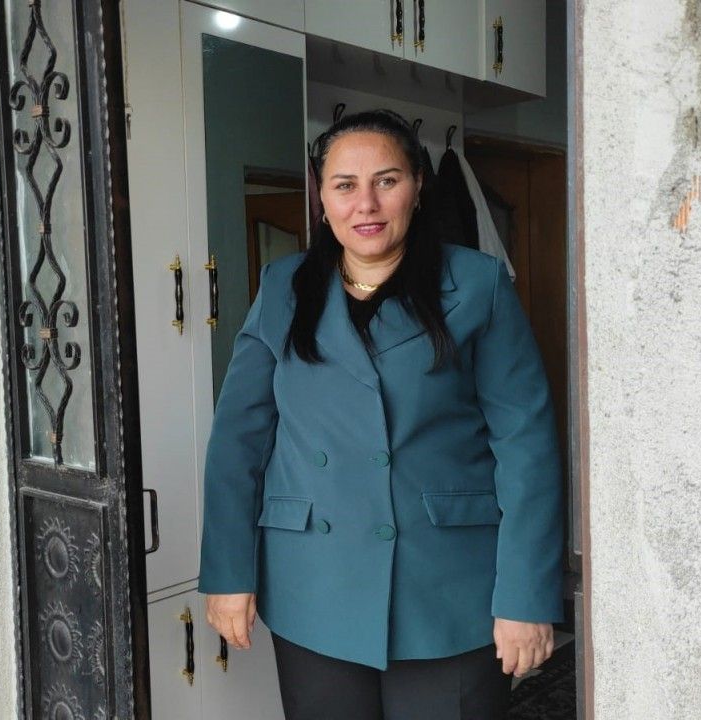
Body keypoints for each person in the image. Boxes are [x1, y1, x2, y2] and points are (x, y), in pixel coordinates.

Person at [198, 109, 563, 720]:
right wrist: (228, 570)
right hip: (315, 582)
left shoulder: (477, 285)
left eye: (386, 181)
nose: (365, 204)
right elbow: (239, 440)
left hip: (449, 588)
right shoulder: (283, 287)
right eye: (344, 185)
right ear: (321, 197)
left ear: (417, 187)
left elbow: (527, 445)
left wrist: (526, 595)